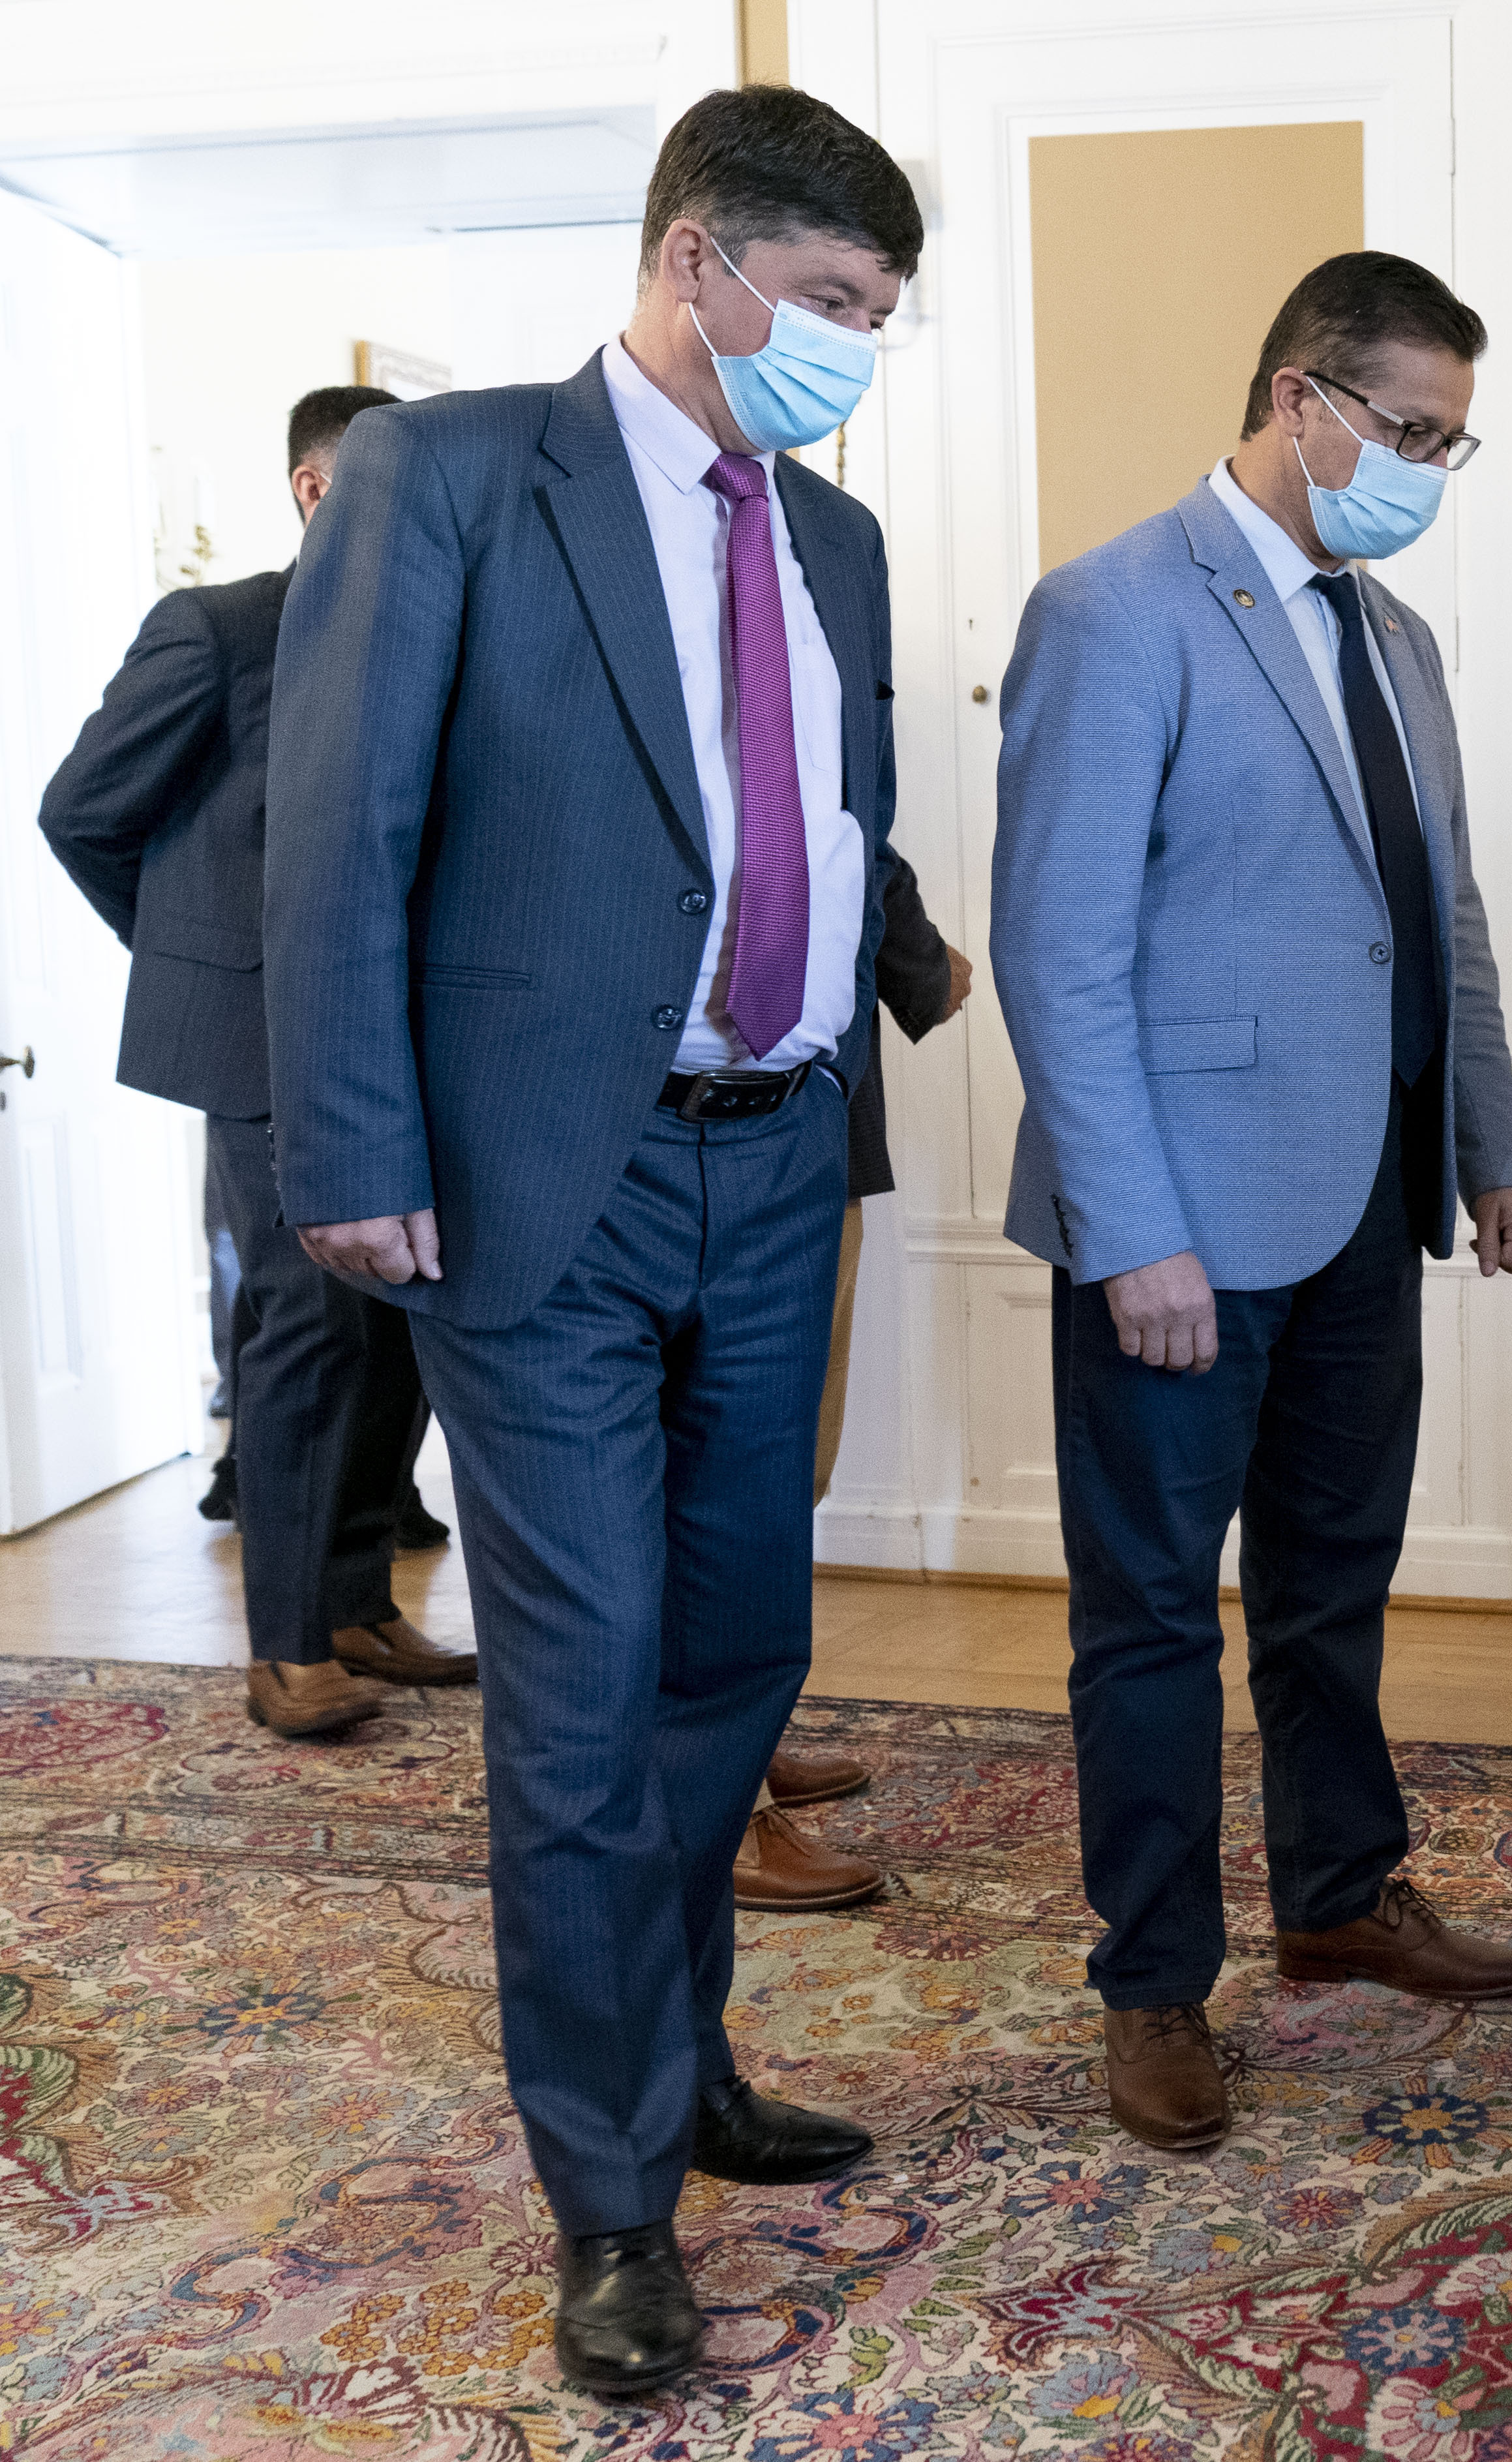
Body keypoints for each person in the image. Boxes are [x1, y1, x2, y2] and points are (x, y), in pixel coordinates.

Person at [264, 85, 919, 2397]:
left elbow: (822, 821)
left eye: (881, 316)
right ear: (695, 261)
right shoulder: (450, 478)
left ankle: (686, 2050)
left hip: (777, 1159)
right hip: (545, 1173)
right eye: (828, 301)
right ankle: (613, 2194)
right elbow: (342, 825)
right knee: (581, 1684)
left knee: (737, 1649)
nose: (853, 349)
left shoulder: (831, 539)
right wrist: (350, 1141)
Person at [994, 251, 1512, 2160]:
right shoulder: (1113, 608)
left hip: (1368, 1197)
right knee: (1151, 1612)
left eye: (1451, 444)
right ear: (1299, 398)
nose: (1426, 469)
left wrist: (1487, 1141)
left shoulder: (1400, 639)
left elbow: (1441, 914)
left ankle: (1338, 1890)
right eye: (1409, 430)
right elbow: (1056, 948)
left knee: (1332, 1580)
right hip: (1180, 1224)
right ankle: (1152, 1978)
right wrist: (1131, 1228)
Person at [35, 383, 472, 1739]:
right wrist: (209, 963)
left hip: (409, 1045)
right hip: (262, 1047)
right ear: (315, 489)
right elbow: (81, 812)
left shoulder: (442, 626)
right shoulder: (218, 631)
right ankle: (286, 1644)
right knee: (308, 1328)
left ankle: (357, 1604)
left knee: (397, 1322)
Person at [733, 845, 974, 1915]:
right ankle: (720, 1797)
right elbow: (926, 959)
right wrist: (923, 958)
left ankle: (736, 1736)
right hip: (679, 1148)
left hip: (810, 1141)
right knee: (727, 1485)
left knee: (787, 1469)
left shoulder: (827, 765)